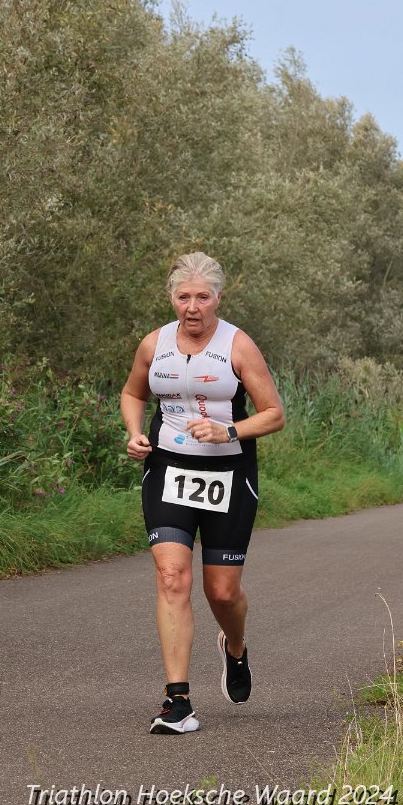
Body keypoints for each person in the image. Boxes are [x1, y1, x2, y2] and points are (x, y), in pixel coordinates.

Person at [120, 252, 285, 734]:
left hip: (229, 475)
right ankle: (178, 702)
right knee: (172, 576)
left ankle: (235, 646)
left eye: (203, 297)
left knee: (222, 592)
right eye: (183, 296)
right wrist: (134, 433)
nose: (192, 307)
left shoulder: (238, 345)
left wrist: (228, 431)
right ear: (171, 297)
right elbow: (133, 394)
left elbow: (273, 414)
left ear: (218, 298)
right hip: (168, 470)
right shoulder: (154, 344)